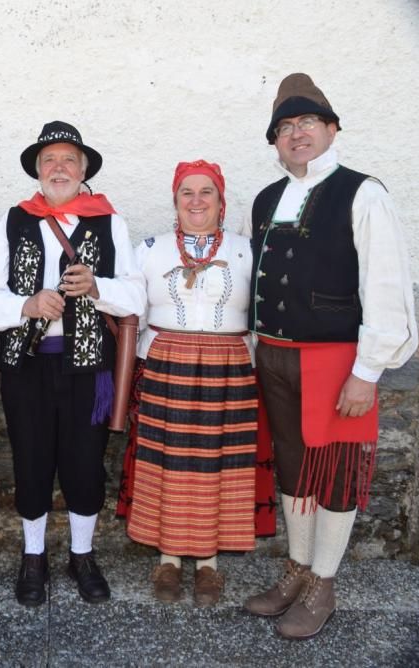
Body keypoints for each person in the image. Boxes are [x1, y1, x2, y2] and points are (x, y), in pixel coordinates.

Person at [243, 74, 418, 639]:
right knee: (294, 471)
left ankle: (324, 580)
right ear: (275, 141)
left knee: (336, 474)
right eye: (285, 127)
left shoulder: (363, 192)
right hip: (274, 356)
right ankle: (297, 568)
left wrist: (368, 372)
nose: (296, 135)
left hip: (339, 361)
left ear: (332, 129)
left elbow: (386, 286)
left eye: (307, 123)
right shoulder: (267, 198)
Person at [0, 121, 146, 606]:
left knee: (84, 464)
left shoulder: (111, 221)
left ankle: (82, 555)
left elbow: (136, 297)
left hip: (91, 370)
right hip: (27, 366)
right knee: (31, 461)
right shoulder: (14, 220)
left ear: (84, 168)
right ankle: (33, 558)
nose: (60, 168)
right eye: (50, 160)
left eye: (69, 159)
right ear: (38, 170)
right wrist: (25, 305)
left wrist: (98, 288)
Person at [121, 160, 266, 606]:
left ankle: (208, 564)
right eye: (187, 192)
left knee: (219, 467)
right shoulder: (149, 248)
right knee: (168, 466)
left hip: (229, 369)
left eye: (207, 192)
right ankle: (167, 558)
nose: (197, 200)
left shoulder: (248, 250)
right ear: (175, 200)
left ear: (222, 202)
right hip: (167, 365)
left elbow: (264, 314)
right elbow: (129, 306)